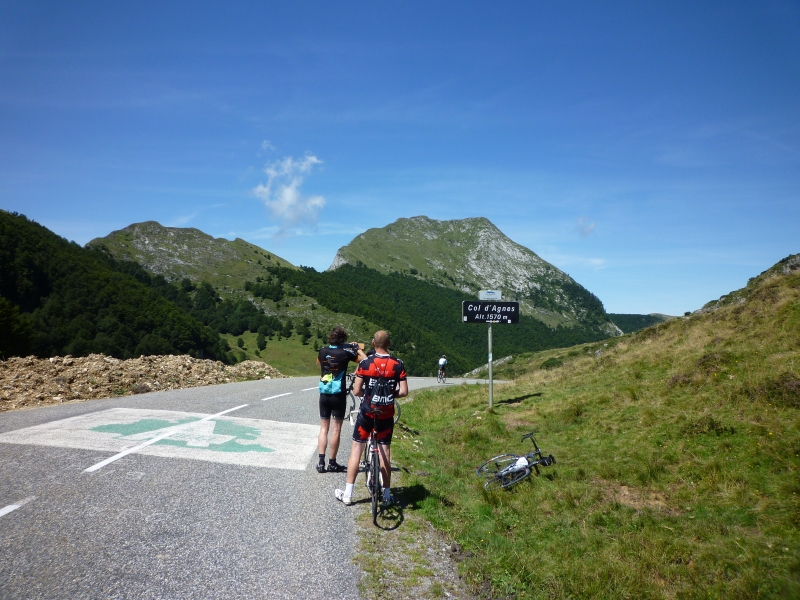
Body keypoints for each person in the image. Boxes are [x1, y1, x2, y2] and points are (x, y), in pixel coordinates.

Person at [335, 330, 407, 507]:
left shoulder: (365, 363)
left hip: (367, 413)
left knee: (356, 451)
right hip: (386, 414)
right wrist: (389, 395)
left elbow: (356, 391)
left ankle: (348, 494)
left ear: (373, 344)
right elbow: (404, 391)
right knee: (385, 453)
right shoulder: (398, 364)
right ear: (389, 344)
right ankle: (387, 496)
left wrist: (369, 395)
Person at [316, 326, 366, 473]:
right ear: (343, 339)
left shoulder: (323, 351)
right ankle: (332, 463)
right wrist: (356, 349)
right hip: (338, 395)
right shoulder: (345, 353)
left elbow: (319, 363)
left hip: (324, 393)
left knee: (323, 428)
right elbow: (365, 360)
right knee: (336, 429)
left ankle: (320, 462)